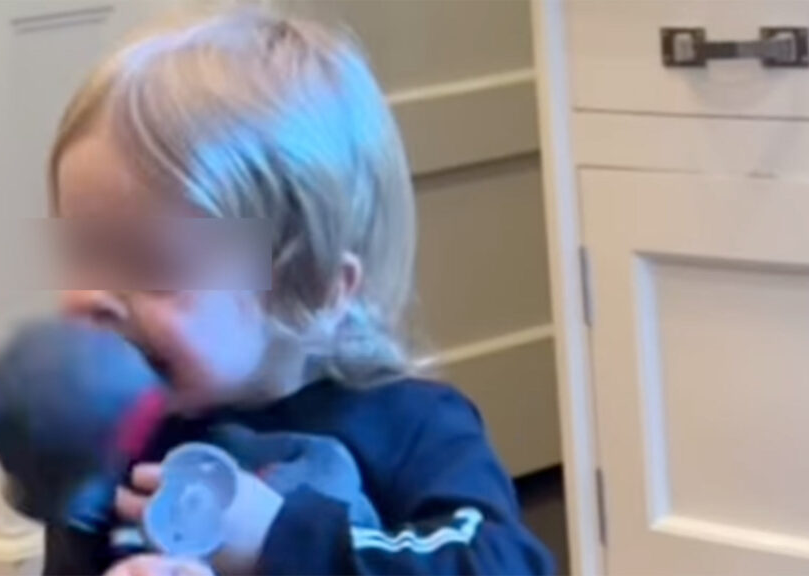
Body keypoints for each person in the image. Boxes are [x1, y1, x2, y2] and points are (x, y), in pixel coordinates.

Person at [43, 6, 554, 576]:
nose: (101, 297)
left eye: (155, 266)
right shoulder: (120, 440)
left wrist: (279, 539)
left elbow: (505, 563)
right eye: (85, 254)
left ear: (314, 288)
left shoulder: (413, 427)